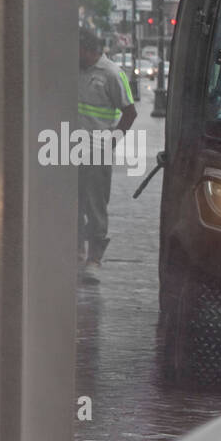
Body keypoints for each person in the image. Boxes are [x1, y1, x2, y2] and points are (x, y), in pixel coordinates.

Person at [77, 27, 137, 282]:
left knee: (95, 205)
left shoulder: (112, 73)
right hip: (65, 149)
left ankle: (94, 259)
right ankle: (76, 251)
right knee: (72, 204)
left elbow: (130, 112)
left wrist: (111, 142)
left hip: (96, 151)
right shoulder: (72, 69)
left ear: (89, 49)